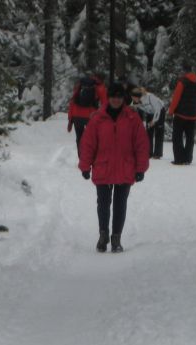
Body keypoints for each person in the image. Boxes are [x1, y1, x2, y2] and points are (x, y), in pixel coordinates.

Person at [78, 82, 150, 253]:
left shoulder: (132, 118)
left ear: (123, 98)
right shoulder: (97, 118)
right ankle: (103, 235)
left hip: (125, 168)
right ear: (108, 97)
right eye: (113, 96)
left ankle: (116, 238)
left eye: (119, 96)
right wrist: (85, 166)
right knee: (103, 203)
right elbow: (88, 144)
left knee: (120, 204)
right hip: (103, 167)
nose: (116, 100)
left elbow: (141, 144)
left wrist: (141, 168)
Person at [167, 62, 196, 165]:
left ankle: (179, 159)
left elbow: (176, 98)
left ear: (184, 71)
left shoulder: (182, 82)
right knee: (189, 138)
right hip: (192, 116)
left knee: (177, 137)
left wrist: (171, 111)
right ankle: (188, 158)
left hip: (180, 115)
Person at [67, 72, 108, 155]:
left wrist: (70, 120)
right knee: (93, 137)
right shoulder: (99, 86)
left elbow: (72, 102)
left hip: (76, 116)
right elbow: (105, 104)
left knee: (79, 137)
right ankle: (91, 156)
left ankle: (81, 158)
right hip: (90, 116)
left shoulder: (80, 84)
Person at [132, 87, 165, 159]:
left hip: (159, 111)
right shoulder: (135, 102)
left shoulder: (150, 97)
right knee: (149, 132)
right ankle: (149, 153)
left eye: (134, 97)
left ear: (138, 96)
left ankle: (157, 154)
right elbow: (132, 107)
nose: (133, 99)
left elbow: (157, 109)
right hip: (150, 112)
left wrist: (154, 121)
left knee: (158, 132)